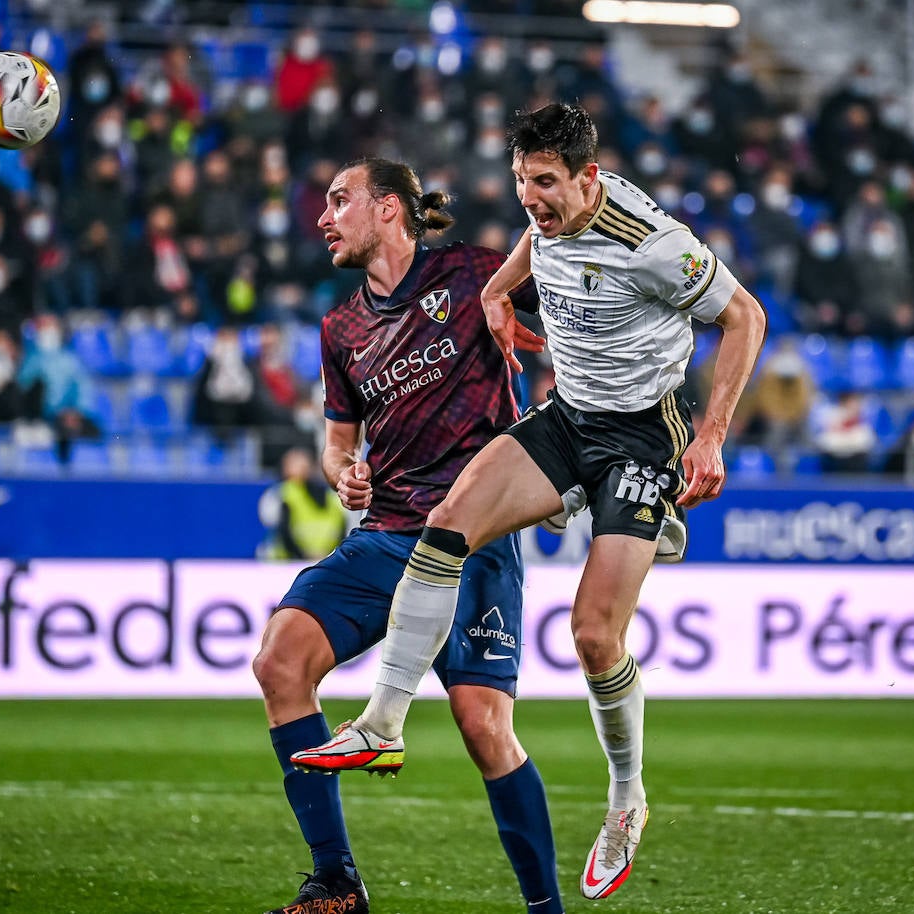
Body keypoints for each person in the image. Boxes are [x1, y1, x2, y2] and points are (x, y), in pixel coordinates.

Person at [292, 104, 767, 900]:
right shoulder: (547, 209)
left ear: (589, 178)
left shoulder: (653, 244)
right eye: (521, 182)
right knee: (445, 528)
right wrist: (500, 293)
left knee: (592, 638)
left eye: (545, 184)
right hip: (565, 420)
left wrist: (711, 434)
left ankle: (625, 800)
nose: (532, 200)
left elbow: (745, 317)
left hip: (639, 440)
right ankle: (381, 720)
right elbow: (536, 238)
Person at [252, 157, 566, 914]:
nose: (323, 218)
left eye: (339, 201)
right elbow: (337, 442)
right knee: (279, 661)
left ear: (389, 207)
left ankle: (546, 911)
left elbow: (569, 282)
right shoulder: (341, 328)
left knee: (483, 726)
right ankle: (338, 880)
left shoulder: (476, 274)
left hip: (476, 533)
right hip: (388, 530)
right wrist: (340, 473)